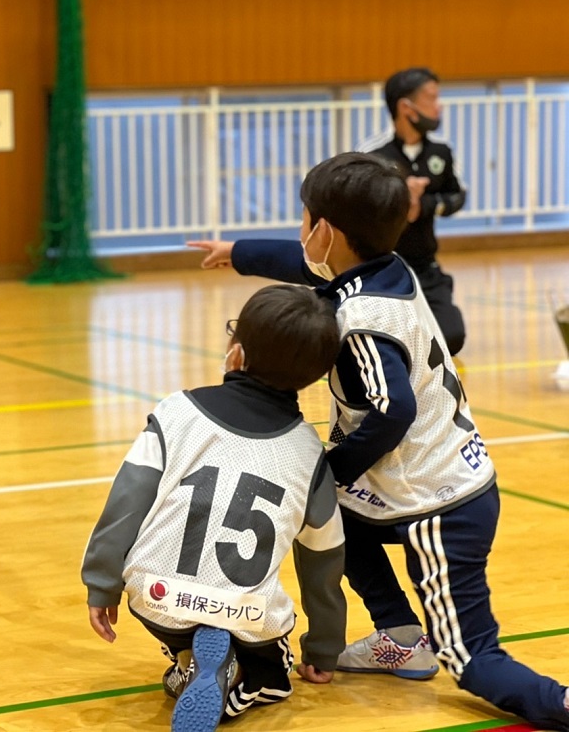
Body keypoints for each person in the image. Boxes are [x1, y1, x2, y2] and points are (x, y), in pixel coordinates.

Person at [188, 153, 569, 731]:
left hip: (439, 507)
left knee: (472, 660)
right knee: (328, 522)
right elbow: (306, 263)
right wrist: (237, 253)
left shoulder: (361, 318)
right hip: (421, 483)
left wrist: (332, 470)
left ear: (325, 231)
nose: (301, 232)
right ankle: (400, 637)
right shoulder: (386, 266)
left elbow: (394, 410)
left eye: (304, 218)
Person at [82, 284, 347, 732]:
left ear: (236, 353)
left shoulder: (176, 411)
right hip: (248, 611)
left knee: (175, 611)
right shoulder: (307, 451)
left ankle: (189, 656)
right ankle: (248, 676)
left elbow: (126, 501)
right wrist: (323, 646)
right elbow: (324, 555)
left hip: (157, 598)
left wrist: (101, 583)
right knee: (277, 672)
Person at [358, 67, 467, 355]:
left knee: (452, 338)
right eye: (431, 98)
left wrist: (424, 204)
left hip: (425, 267)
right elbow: (358, 207)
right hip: (381, 267)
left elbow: (457, 196)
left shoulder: (441, 153)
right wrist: (399, 202)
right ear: (406, 107)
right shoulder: (372, 154)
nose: (438, 106)